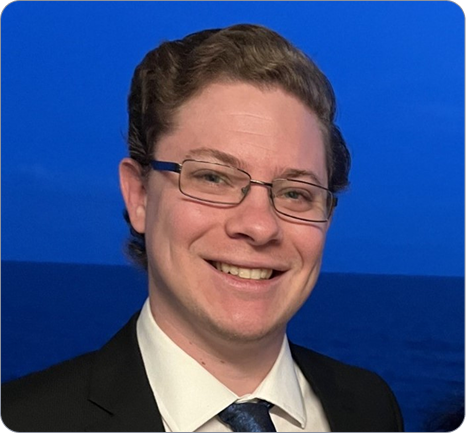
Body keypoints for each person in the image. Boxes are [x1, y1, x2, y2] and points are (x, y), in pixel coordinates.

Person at [2, 24, 404, 432]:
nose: (259, 226)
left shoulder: (371, 408)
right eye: (213, 178)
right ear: (139, 195)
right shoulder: (25, 420)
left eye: (295, 193)